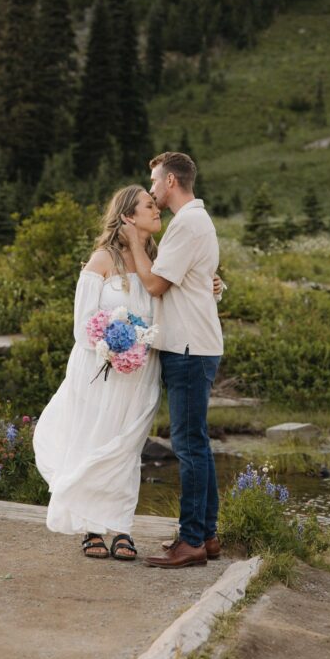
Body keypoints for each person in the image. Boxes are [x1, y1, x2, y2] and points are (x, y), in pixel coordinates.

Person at [33, 185, 163, 561]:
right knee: (96, 441)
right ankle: (91, 529)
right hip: (99, 369)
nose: (157, 212)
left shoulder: (157, 259)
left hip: (141, 373)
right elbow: (83, 323)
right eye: (149, 206)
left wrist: (216, 287)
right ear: (127, 216)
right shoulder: (101, 260)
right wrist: (115, 345)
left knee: (127, 448)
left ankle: (122, 527)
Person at [122, 151, 223, 569]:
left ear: (170, 182)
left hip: (188, 349)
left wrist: (132, 241)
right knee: (196, 442)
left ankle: (192, 542)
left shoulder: (186, 224)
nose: (150, 190)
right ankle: (207, 535)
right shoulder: (195, 222)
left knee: (187, 445)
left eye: (154, 182)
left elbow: (155, 283)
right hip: (194, 345)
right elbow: (199, 280)